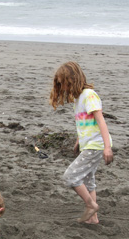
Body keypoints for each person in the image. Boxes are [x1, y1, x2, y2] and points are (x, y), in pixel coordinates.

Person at [49, 61, 114, 224]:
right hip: (89, 145)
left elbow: (101, 121)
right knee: (87, 180)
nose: (62, 87)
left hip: (96, 145)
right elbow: (85, 123)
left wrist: (107, 147)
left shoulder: (89, 95)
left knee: (70, 176)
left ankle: (91, 205)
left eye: (63, 83)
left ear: (72, 79)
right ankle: (93, 219)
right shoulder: (78, 98)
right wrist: (79, 141)